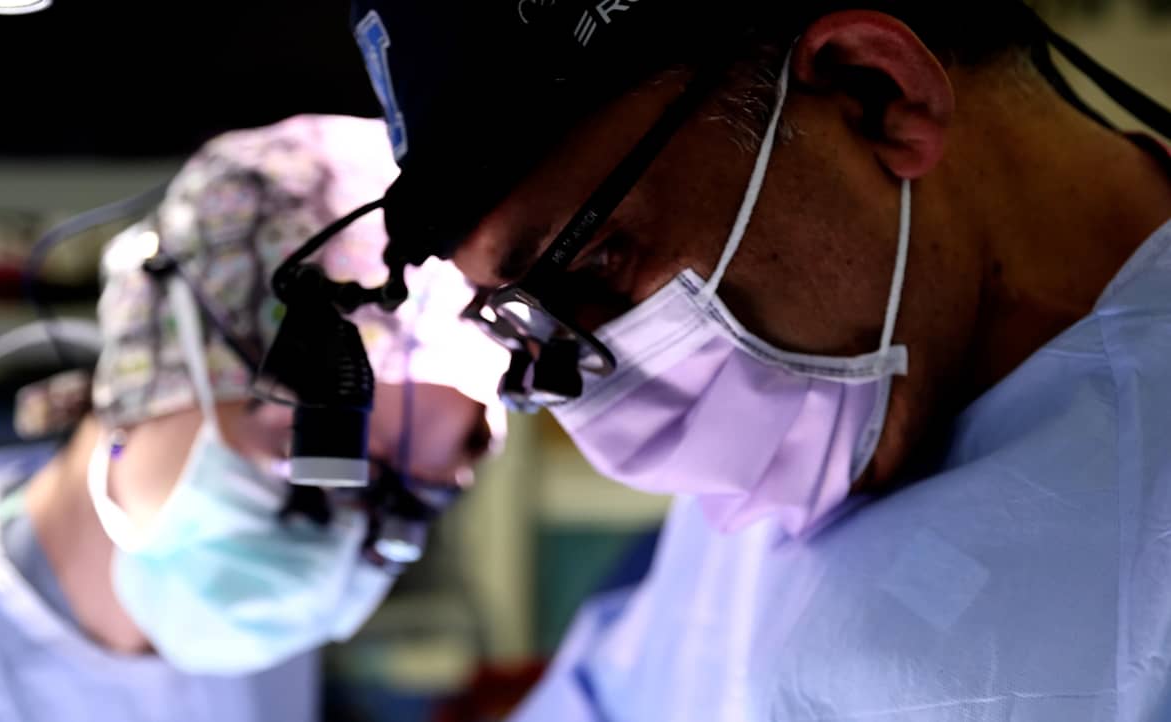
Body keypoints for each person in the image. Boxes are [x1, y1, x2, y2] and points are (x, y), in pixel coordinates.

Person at [340, 1, 1171, 719]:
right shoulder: (800, 442)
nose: (603, 421)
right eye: (526, 320)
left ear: (873, 94)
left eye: (593, 263)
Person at [0, 114, 507, 722]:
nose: (331, 539)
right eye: (303, 455)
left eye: (403, 504)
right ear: (154, 365)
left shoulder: (247, 627)